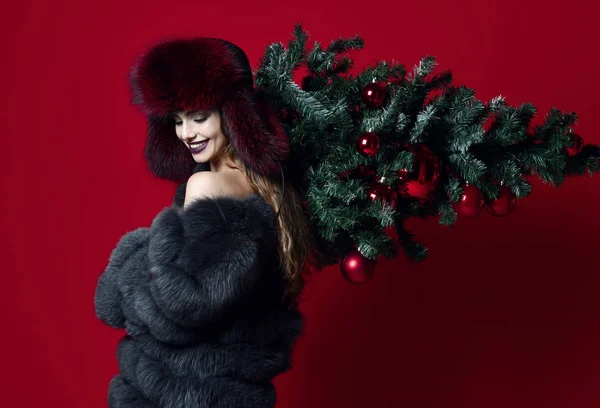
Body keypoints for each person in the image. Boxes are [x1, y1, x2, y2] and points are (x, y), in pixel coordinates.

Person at [94, 37, 316, 407]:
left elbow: (182, 303)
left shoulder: (206, 183)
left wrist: (127, 267)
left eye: (199, 118)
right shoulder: (270, 191)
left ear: (232, 115)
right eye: (178, 121)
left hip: (183, 392)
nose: (187, 134)